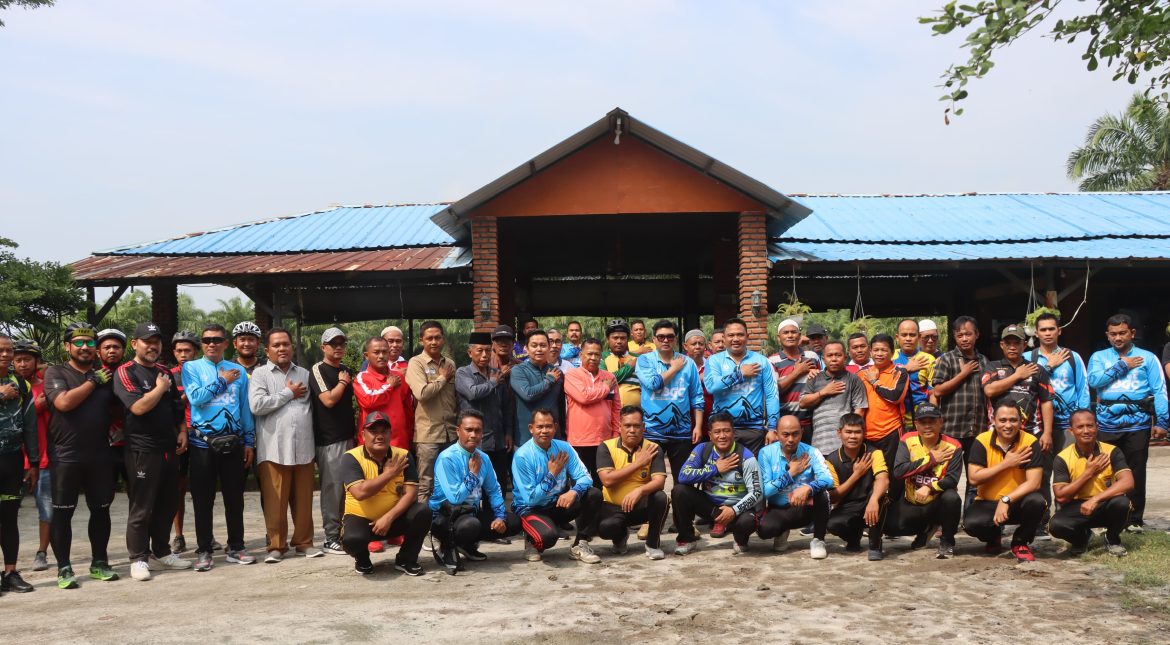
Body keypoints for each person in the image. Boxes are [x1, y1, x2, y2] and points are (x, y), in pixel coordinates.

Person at [112, 322, 191, 581]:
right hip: (141, 449)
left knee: (168, 504)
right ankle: (138, 558)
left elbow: (176, 407)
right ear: (135, 344)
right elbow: (138, 408)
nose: (153, 346)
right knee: (142, 507)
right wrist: (159, 388)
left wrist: (181, 430)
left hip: (168, 447)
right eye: (147, 341)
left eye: (156, 341)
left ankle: (161, 553)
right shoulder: (126, 372)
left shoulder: (163, 371)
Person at [44, 322, 118, 589]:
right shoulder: (57, 372)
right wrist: (92, 382)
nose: (85, 348)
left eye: (89, 343)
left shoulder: (105, 377)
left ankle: (99, 562)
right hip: (66, 455)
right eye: (79, 343)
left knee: (101, 511)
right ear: (68, 346)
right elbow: (63, 402)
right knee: (63, 512)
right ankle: (64, 568)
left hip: (99, 455)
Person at [182, 323, 257, 571]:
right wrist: (222, 381)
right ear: (201, 344)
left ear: (226, 343)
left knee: (234, 498)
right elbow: (196, 399)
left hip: (234, 442)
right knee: (203, 500)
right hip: (202, 443)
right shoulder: (191, 367)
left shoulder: (238, 371)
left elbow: (245, 408)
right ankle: (204, 550)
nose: (211, 344)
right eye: (206, 340)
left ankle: (236, 546)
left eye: (216, 340)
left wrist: (249, 441)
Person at [1087, 313, 1168, 532]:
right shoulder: (1099, 357)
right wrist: (1122, 365)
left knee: (1136, 471)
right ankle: (1106, 518)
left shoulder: (1148, 358)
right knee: (1105, 471)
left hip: (1138, 423)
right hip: (1106, 424)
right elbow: (1094, 381)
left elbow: (1160, 390)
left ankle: (1134, 520)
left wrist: (1163, 421)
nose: (1118, 338)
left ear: (1132, 333)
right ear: (1107, 335)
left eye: (1122, 333)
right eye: (1113, 334)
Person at [249, 327, 321, 562]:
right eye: (276, 345)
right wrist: (287, 393)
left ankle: (304, 543)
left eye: (286, 344)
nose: (282, 348)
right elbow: (257, 406)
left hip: (303, 447)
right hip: (273, 448)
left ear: (292, 347)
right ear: (267, 349)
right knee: (275, 502)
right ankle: (276, 547)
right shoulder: (260, 375)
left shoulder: (304, 373)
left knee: (303, 500)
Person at [982, 323, 1055, 534]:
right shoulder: (993, 367)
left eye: (1017, 343)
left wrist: (1048, 433)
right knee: (999, 476)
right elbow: (989, 390)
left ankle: (1040, 521)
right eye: (1009, 343)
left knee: (1038, 478)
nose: (1013, 347)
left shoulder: (1037, 369)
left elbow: (1046, 401)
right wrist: (1017, 375)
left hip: (1032, 434)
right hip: (998, 436)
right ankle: (994, 521)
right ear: (1002, 345)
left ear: (1025, 345)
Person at [429, 410, 522, 574]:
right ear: (458, 431)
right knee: (471, 526)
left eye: (477, 430)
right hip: (446, 517)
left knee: (513, 521)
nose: (473, 435)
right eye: (468, 430)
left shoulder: (483, 458)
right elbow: (455, 497)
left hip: (471, 512)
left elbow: (493, 490)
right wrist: (472, 474)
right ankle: (446, 545)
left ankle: (466, 545)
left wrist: (500, 516)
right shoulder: (447, 458)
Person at [340, 412, 429, 575]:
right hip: (362, 519)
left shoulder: (403, 455)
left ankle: (406, 559)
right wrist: (389, 474)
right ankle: (362, 558)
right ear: (363, 434)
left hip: (393, 519)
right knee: (353, 540)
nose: (379, 436)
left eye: (384, 431)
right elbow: (360, 493)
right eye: (373, 431)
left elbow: (411, 494)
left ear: (390, 434)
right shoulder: (351, 458)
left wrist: (388, 517)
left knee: (422, 512)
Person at [511, 408, 602, 563]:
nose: (544, 431)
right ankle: (531, 541)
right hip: (531, 508)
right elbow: (531, 499)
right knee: (548, 538)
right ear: (531, 429)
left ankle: (580, 545)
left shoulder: (564, 447)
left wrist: (573, 492)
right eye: (540, 427)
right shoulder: (522, 455)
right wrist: (552, 475)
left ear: (555, 427)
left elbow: (586, 478)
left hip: (556, 503)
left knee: (593, 494)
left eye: (548, 426)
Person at [964, 401, 1046, 562]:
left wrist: (1006, 499)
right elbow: (973, 478)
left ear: (1021, 422)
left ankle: (1020, 542)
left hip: (1017, 501)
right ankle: (993, 536)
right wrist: (1006, 464)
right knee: (971, 524)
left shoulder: (1030, 442)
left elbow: (1034, 483)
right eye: (1003, 420)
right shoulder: (982, 440)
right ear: (993, 420)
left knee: (1037, 501)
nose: (1008, 425)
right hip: (987, 501)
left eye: (1013, 420)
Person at [673, 413, 761, 555]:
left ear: (734, 432)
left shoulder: (747, 457)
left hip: (737, 510)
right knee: (679, 491)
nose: (722, 436)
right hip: (711, 508)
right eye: (717, 431)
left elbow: (757, 493)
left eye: (726, 431)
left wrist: (734, 510)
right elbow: (683, 476)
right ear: (710, 434)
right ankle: (687, 539)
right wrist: (715, 469)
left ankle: (740, 540)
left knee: (748, 522)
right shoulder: (702, 449)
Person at [1050, 409, 1133, 556]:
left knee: (1122, 503)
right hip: (1078, 507)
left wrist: (1095, 499)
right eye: (1080, 427)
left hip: (1106, 503)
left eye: (1090, 425)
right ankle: (1082, 539)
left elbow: (1128, 482)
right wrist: (1088, 473)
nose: (1086, 431)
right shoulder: (1062, 458)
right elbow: (1061, 496)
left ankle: (1112, 539)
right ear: (1071, 431)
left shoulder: (1112, 451)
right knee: (1055, 526)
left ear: (1097, 427)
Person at [887, 403, 964, 559]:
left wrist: (929, 487)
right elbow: (899, 471)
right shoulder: (907, 440)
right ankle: (926, 529)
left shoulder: (954, 445)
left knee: (952, 497)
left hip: (937, 501)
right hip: (911, 500)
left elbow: (952, 479)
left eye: (932, 421)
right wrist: (931, 459)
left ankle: (947, 541)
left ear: (941, 422)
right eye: (923, 422)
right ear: (916, 424)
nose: (927, 426)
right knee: (890, 528)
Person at [930, 315, 990, 505]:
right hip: (951, 428)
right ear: (954, 337)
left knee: (975, 476)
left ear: (977, 335)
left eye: (968, 334)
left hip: (977, 428)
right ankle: (945, 519)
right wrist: (963, 374)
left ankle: (971, 516)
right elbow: (937, 390)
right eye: (960, 335)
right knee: (947, 476)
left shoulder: (984, 361)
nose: (964, 338)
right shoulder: (946, 360)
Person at [595, 406, 668, 559]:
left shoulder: (653, 448)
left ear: (643, 427)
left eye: (636, 426)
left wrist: (640, 491)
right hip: (612, 507)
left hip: (640, 505)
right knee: (605, 528)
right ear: (619, 426)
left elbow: (660, 482)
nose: (632, 430)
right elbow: (607, 480)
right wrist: (638, 463)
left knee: (661, 498)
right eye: (627, 426)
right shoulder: (606, 447)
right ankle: (620, 537)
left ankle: (653, 544)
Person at [755, 415, 833, 558]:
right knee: (765, 530)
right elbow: (765, 491)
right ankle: (782, 531)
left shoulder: (812, 452)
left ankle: (818, 539)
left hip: (804, 507)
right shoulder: (765, 453)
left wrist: (808, 488)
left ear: (802, 432)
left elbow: (828, 479)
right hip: (779, 509)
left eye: (795, 434)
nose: (791, 439)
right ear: (777, 434)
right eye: (785, 434)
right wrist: (791, 473)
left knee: (823, 494)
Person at [636, 320, 704, 483]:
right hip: (652, 432)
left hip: (682, 432)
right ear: (654, 339)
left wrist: (698, 426)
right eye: (661, 337)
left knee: (683, 481)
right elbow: (654, 384)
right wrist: (674, 368)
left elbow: (697, 396)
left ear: (675, 339)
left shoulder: (688, 364)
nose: (665, 340)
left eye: (669, 337)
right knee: (650, 480)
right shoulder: (644, 361)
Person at [308, 327, 356, 556]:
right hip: (329, 440)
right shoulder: (318, 369)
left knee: (348, 489)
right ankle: (330, 538)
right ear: (323, 347)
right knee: (332, 490)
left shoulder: (346, 370)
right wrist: (343, 383)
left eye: (341, 343)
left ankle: (345, 534)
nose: (338, 347)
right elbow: (327, 400)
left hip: (349, 437)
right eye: (333, 343)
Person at [704, 318, 779, 455]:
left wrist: (772, 428)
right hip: (722, 429)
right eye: (731, 335)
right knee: (724, 472)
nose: (736, 339)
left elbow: (771, 396)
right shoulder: (714, 361)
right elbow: (711, 386)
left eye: (740, 334)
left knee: (753, 472)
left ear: (747, 337)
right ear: (724, 338)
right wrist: (740, 374)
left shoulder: (762, 361)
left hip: (754, 430)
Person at [823, 413, 889, 560]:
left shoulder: (874, 453)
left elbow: (883, 480)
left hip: (870, 503)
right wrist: (856, 475)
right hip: (848, 506)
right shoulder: (832, 460)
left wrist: (873, 500)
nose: (853, 436)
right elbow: (833, 497)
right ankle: (853, 538)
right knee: (832, 524)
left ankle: (875, 544)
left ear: (864, 433)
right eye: (848, 432)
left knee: (881, 496)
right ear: (839, 433)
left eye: (857, 432)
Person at [405, 320, 458, 503]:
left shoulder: (449, 363)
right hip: (428, 435)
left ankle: (448, 527)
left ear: (443, 339)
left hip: (451, 433)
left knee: (450, 481)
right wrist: (443, 378)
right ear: (421, 341)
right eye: (429, 338)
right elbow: (422, 393)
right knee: (426, 484)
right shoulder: (416, 363)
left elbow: (455, 398)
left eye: (437, 337)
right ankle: (424, 528)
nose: (434, 342)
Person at [0, 333, 36, 593]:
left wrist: (33, 462)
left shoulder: (21, 384)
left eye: (8, 350)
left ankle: (11, 572)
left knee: (9, 518)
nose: (5, 355)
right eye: (0, 350)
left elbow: (30, 426)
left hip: (12, 461)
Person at [456, 332, 514, 492]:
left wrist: (508, 432)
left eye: (488, 351)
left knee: (498, 485)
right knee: (475, 487)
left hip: (498, 441)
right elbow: (472, 393)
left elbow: (507, 406)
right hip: (475, 441)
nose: (484, 355)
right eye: (479, 350)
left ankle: (498, 516)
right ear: (470, 352)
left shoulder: (496, 373)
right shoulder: (463, 373)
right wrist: (493, 382)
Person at [13, 339, 52, 573]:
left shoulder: (47, 387)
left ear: (37, 361)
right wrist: (34, 407)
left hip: (44, 458)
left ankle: (42, 552)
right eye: (18, 360)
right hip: (13, 458)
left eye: (27, 359)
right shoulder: (9, 387)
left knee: (45, 508)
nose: (22, 364)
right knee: (8, 510)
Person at [564, 338, 620, 484]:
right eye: (589, 354)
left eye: (597, 354)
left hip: (605, 440)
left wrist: (616, 433)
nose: (593, 358)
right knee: (580, 483)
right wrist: (605, 388)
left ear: (601, 355)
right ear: (581, 355)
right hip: (579, 441)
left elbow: (616, 408)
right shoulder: (572, 375)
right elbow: (584, 397)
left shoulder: (610, 377)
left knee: (602, 483)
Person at [799, 341, 868, 454]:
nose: (834, 359)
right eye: (830, 355)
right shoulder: (814, 378)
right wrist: (824, 392)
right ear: (824, 358)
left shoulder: (854, 380)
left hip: (845, 445)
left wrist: (850, 435)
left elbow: (859, 411)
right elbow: (802, 403)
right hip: (820, 442)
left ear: (845, 357)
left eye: (838, 355)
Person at [168, 330, 199, 555]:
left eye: (187, 350)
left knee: (202, 490)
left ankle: (207, 535)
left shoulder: (204, 373)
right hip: (179, 435)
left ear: (195, 352)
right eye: (179, 351)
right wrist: (187, 395)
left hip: (202, 435)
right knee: (177, 489)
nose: (183, 354)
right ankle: (178, 536)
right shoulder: (167, 376)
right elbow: (168, 406)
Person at [354, 336, 414, 452]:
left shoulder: (399, 377)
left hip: (399, 443)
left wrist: (410, 436)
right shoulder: (362, 378)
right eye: (376, 352)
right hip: (372, 445)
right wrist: (389, 386)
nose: (381, 356)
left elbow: (408, 410)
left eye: (385, 352)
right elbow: (368, 401)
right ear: (366, 356)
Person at [858, 334, 909, 469]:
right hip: (866, 434)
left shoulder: (899, 372)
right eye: (876, 350)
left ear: (892, 353)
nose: (879, 354)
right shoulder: (862, 373)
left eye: (884, 350)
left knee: (893, 474)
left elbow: (895, 397)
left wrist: (874, 382)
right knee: (870, 474)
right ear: (870, 352)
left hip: (891, 431)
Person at [769, 319, 822, 441]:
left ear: (799, 335)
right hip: (785, 424)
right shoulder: (772, 361)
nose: (790, 335)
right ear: (778, 337)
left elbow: (821, 383)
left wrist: (817, 374)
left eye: (793, 332)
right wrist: (797, 372)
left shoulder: (812, 356)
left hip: (810, 421)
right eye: (786, 332)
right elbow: (774, 392)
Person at [511, 330, 565, 444]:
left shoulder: (557, 372)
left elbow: (561, 406)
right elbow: (528, 394)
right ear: (526, 348)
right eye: (534, 345)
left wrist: (563, 433)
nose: (539, 349)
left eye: (543, 345)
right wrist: (549, 380)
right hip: (525, 438)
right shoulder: (518, 370)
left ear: (549, 347)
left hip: (554, 438)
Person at [96, 328, 129, 490]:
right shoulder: (91, 376)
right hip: (102, 446)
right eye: (107, 347)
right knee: (104, 494)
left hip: (131, 444)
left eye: (116, 347)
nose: (112, 351)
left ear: (123, 351)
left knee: (137, 492)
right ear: (97, 352)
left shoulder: (132, 374)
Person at [892, 319, 936, 431]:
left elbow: (933, 393)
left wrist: (932, 417)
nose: (908, 338)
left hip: (921, 418)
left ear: (919, 336)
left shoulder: (928, 359)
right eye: (904, 335)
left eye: (912, 335)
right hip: (894, 420)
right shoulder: (890, 356)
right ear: (897, 337)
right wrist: (906, 368)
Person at [601, 319, 641, 408]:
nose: (619, 341)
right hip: (609, 412)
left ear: (627, 340)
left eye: (623, 338)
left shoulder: (638, 358)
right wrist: (629, 367)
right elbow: (606, 381)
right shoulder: (602, 357)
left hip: (634, 414)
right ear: (608, 339)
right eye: (615, 338)